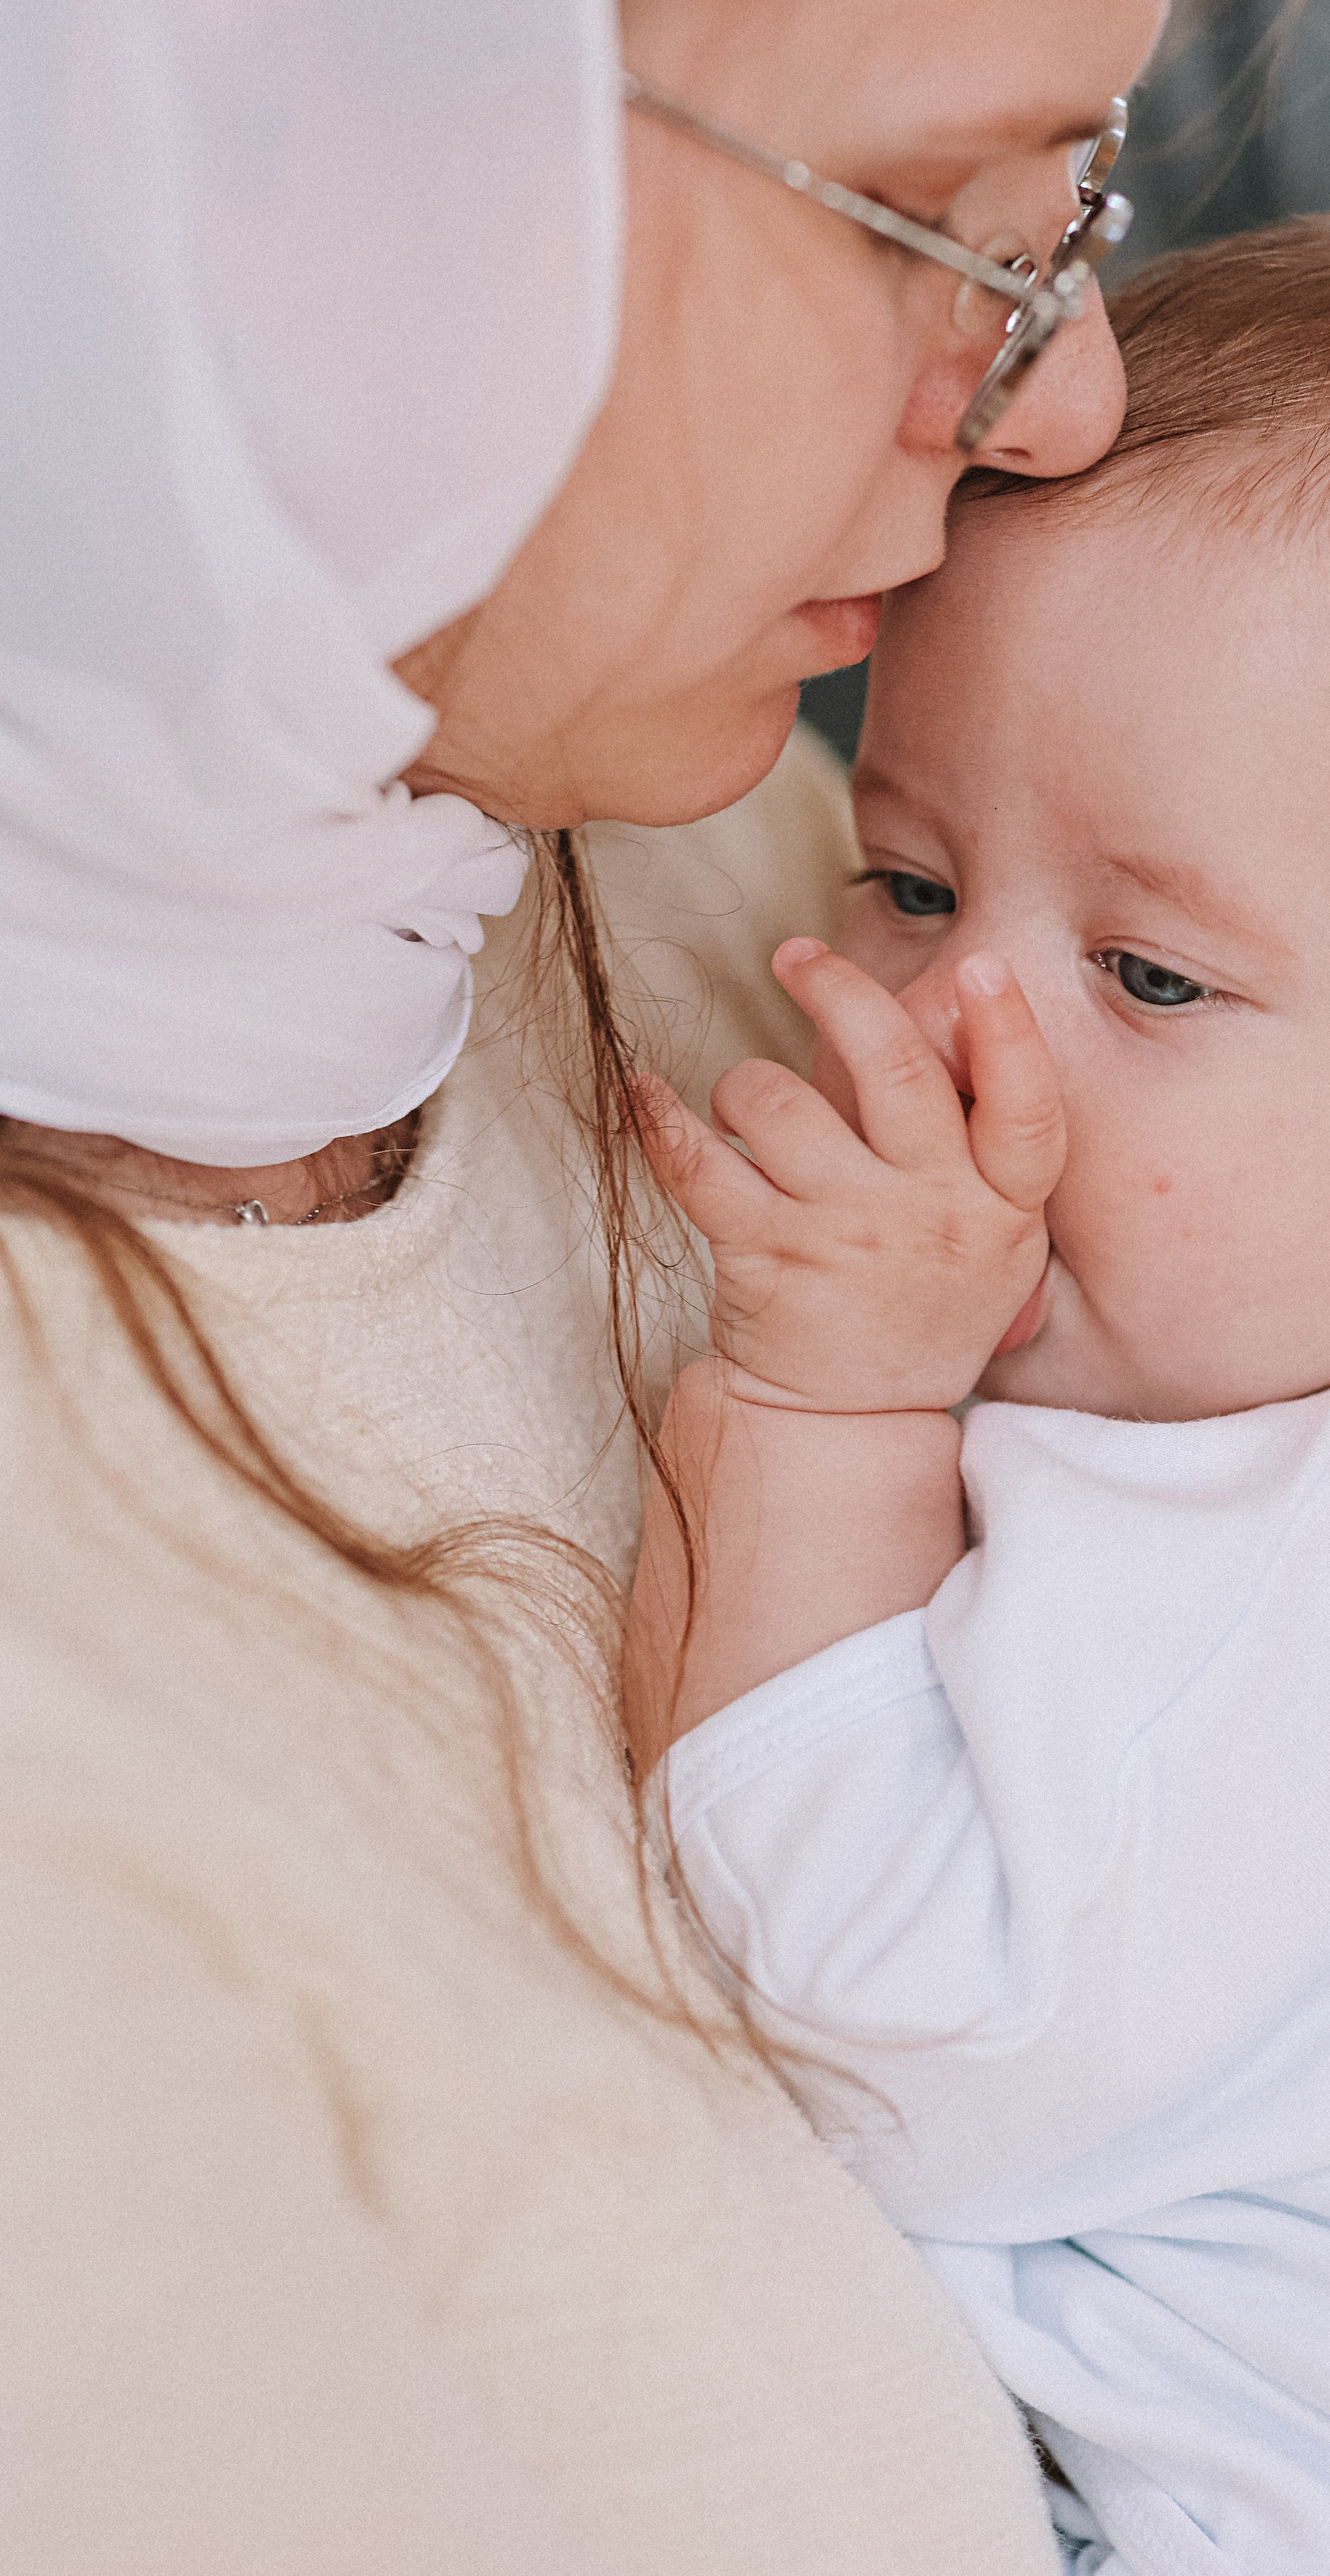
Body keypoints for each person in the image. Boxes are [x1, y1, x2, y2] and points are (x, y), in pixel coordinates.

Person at [0, 1, 1168, 2565]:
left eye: (1076, 211)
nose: (1061, 397)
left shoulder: (821, 861)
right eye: (945, 223)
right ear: (228, 126)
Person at [628, 210, 1330, 2571]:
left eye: (1148, 973)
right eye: (907, 883)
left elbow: (892, 2037)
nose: (947, 1034)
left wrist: (828, 1417)